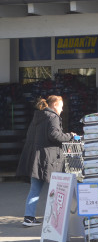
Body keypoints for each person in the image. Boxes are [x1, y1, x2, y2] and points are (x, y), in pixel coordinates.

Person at [16, 95, 75, 226]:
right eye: (61, 106)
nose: (62, 109)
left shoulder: (38, 116)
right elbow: (54, 135)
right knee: (57, 189)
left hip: (37, 158)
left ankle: (28, 218)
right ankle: (56, 219)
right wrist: (70, 136)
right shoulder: (52, 117)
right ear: (54, 105)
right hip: (50, 160)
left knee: (35, 189)